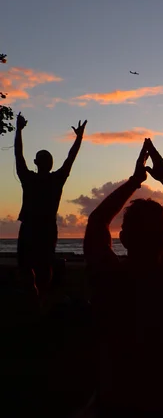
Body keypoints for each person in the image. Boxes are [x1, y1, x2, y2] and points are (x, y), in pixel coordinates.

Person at [84, 138, 163, 418]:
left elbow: (97, 222)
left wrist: (135, 181)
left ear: (123, 239)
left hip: (114, 400)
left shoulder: (107, 275)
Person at [14, 112, 87, 301]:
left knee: (27, 265)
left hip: (30, 227)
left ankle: (35, 295)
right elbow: (71, 157)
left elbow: (18, 154)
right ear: (50, 164)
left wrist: (19, 130)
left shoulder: (29, 178)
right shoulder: (56, 179)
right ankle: (42, 296)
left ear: (37, 163)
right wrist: (79, 138)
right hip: (46, 228)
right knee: (43, 265)